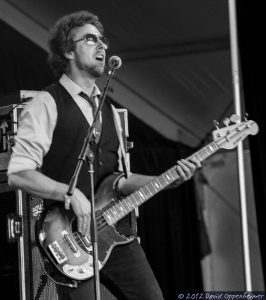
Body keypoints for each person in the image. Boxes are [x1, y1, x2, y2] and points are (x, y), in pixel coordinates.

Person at [7, 10, 200, 300]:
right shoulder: (46, 103)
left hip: (116, 235)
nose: (102, 46)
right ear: (68, 50)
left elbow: (120, 180)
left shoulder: (109, 110)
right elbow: (18, 173)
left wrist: (166, 179)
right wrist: (69, 194)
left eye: (103, 40)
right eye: (90, 39)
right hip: (68, 236)